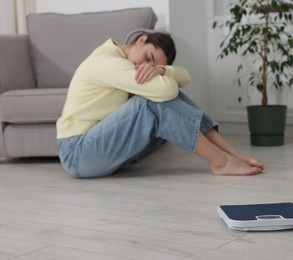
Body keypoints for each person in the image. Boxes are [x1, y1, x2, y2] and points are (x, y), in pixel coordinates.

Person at [56, 32, 264, 178]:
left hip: (99, 146)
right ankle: (221, 161)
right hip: (78, 153)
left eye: (153, 67)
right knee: (151, 101)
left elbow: (184, 77)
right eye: (148, 57)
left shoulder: (126, 61)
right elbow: (166, 90)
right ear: (141, 39)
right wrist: (163, 76)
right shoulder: (105, 61)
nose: (145, 67)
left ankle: (231, 154)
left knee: (162, 96)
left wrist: (164, 71)